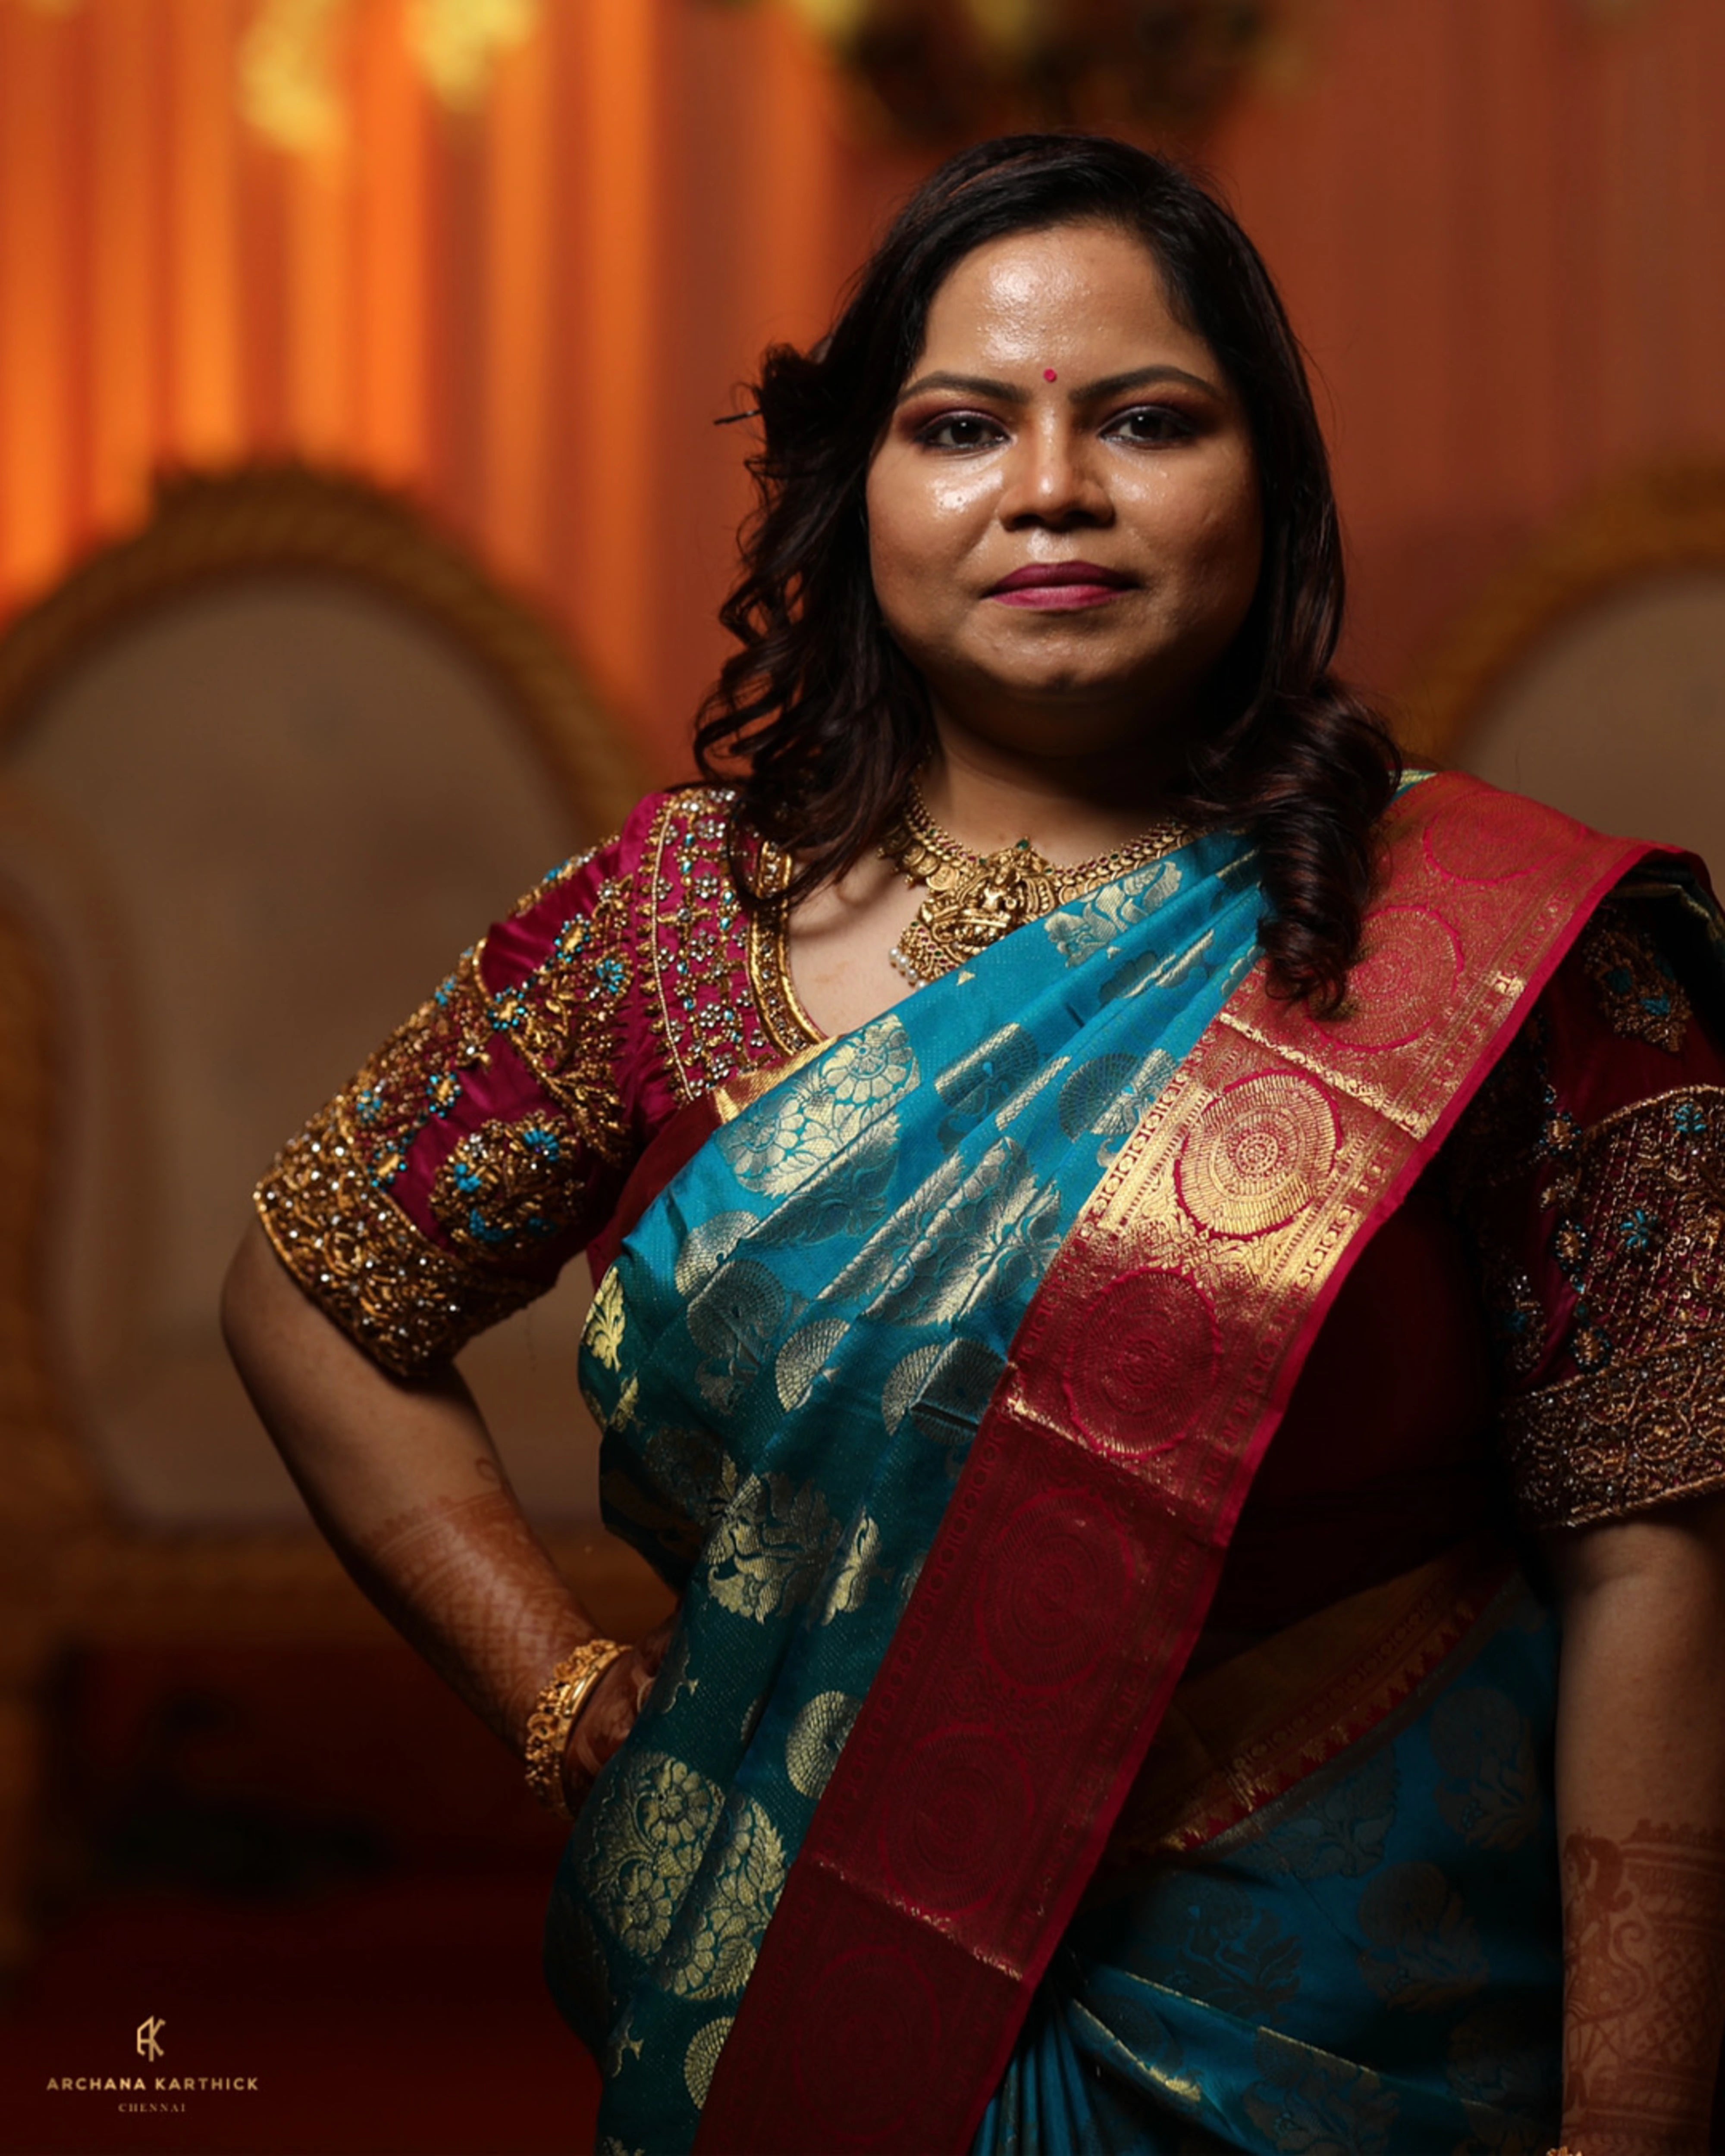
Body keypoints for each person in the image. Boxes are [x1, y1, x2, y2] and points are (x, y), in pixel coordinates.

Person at [222, 135, 1725, 2156]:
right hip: (809, 2009)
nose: (1051, 490)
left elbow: (1656, 1548)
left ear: (1266, 485)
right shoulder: (656, 932)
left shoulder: (1507, 956)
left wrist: (1628, 2121)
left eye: (1147, 420)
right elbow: (310, 1287)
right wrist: (566, 1697)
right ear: (859, 500)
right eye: (959, 425)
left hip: (1371, 2037)